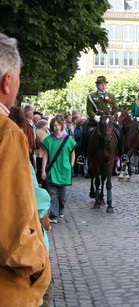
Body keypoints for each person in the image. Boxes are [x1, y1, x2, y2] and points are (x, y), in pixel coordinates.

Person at [0, 32, 51, 306]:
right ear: (7, 81)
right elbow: (12, 227)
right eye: (18, 76)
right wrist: (39, 264)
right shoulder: (7, 132)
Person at [76, 76, 128, 165]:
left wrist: (112, 117)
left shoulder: (111, 96)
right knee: (85, 133)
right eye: (101, 84)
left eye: (105, 84)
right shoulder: (91, 96)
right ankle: (83, 156)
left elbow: (115, 108)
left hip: (108, 122)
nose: (103, 86)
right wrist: (94, 117)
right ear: (97, 85)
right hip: (95, 122)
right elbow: (89, 109)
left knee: (120, 132)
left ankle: (122, 155)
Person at [41, 116, 77, 223]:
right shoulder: (48, 140)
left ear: (62, 126)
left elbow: (73, 154)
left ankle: (61, 208)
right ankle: (54, 216)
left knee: (63, 195)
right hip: (53, 170)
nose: (56, 127)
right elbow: (45, 156)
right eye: (54, 126)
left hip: (65, 171)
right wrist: (43, 170)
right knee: (53, 195)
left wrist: (71, 165)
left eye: (58, 125)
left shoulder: (69, 139)